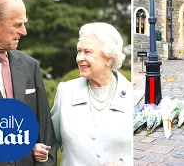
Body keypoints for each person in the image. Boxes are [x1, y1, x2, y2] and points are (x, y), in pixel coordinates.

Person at [0, 0, 57, 165]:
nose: (24, 31)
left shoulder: (30, 66)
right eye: (17, 25)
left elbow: (46, 135)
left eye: (24, 24)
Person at [34, 22, 132, 166]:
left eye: (87, 52)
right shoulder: (65, 92)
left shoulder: (132, 94)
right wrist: (37, 148)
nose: (79, 58)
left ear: (109, 57)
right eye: (79, 51)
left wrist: (125, 163)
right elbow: (48, 141)